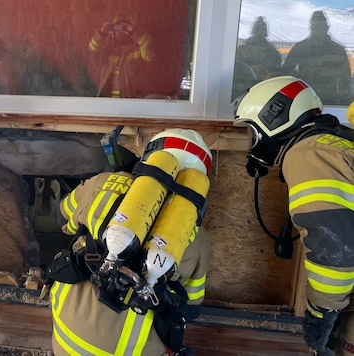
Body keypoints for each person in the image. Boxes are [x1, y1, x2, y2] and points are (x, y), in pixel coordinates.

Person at [47, 128, 213, 355]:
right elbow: (192, 307)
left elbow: (64, 214)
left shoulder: (103, 184)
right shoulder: (199, 237)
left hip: (66, 336)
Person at [233, 76, 354, 356]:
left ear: (273, 119)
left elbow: (334, 250)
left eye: (253, 133)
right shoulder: (334, 143)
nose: (254, 144)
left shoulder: (308, 156)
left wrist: (320, 312)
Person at [281, 10, 352, 105]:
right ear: (311, 28)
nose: (318, 31)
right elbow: (286, 73)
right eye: (315, 28)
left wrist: (344, 101)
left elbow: (345, 79)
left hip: (332, 101)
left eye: (320, 27)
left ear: (326, 28)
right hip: (304, 99)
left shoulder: (338, 50)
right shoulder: (300, 48)